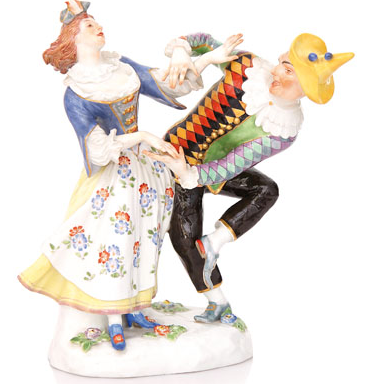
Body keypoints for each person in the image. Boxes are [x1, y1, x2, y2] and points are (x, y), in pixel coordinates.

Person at [18, 1, 238, 350]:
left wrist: (211, 58)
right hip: (115, 174)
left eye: (96, 22)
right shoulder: (76, 93)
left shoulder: (122, 68)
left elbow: (167, 82)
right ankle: (113, 317)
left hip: (145, 171)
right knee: (116, 242)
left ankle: (135, 308)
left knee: (145, 239)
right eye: (89, 26)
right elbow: (96, 149)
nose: (98, 27)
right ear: (74, 39)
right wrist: (142, 137)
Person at [145, 32, 353, 323]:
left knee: (267, 190)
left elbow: (232, 165)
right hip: (178, 152)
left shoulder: (283, 130)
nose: (276, 72)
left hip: (207, 170)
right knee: (184, 238)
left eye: (288, 71)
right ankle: (215, 300)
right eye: (281, 63)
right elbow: (203, 41)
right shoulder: (247, 67)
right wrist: (182, 49)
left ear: (306, 88)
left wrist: (191, 175)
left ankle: (217, 242)